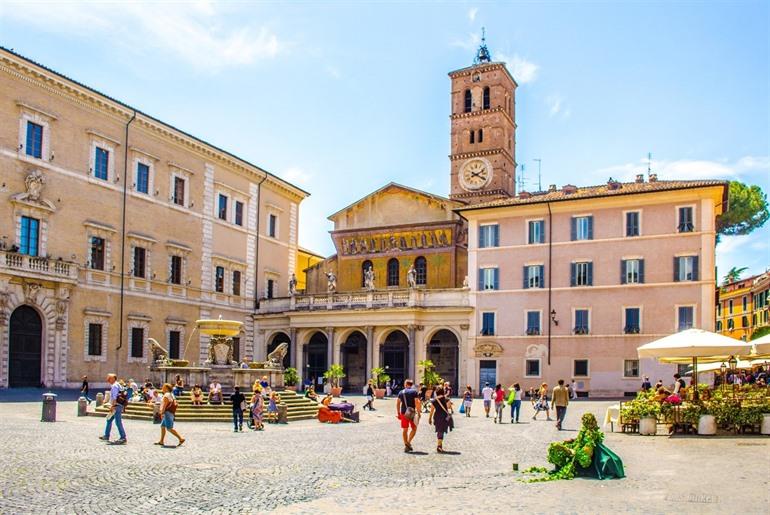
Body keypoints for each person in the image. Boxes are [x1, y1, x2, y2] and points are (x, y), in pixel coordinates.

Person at [99, 373, 127, 444]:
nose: (107, 380)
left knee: (118, 422)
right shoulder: (118, 385)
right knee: (109, 419)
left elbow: (114, 397)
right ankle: (106, 435)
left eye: (109, 378)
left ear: (113, 378)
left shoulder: (114, 386)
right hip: (118, 405)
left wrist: (112, 406)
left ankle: (123, 437)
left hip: (116, 406)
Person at [396, 379, 421, 453]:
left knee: (405, 430)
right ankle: (408, 442)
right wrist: (419, 412)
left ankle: (406, 444)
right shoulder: (414, 392)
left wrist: (398, 413)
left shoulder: (401, 392)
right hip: (412, 413)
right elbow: (417, 402)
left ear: (405, 384)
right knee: (414, 428)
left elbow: (398, 403)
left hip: (404, 413)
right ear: (411, 385)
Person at [428, 386, 453, 453]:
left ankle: (440, 445)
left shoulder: (434, 400)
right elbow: (449, 407)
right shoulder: (446, 399)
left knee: (439, 430)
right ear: (443, 392)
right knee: (441, 431)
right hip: (444, 417)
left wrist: (430, 418)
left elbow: (432, 410)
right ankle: (439, 446)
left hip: (437, 416)